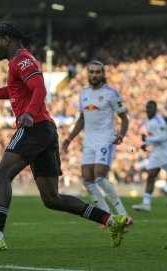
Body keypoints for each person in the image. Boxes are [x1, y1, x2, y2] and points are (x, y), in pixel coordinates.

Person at [0, 21, 129, 251]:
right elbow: (12, 91)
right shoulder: (17, 63)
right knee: (52, 199)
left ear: (7, 39)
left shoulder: (21, 59)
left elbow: (40, 88)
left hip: (34, 127)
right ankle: (110, 220)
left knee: (0, 177)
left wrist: (28, 113)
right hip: (45, 130)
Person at [61, 61, 133, 226]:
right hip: (89, 143)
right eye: (91, 72)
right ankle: (107, 217)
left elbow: (124, 118)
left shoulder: (111, 93)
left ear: (103, 74)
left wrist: (121, 134)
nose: (94, 75)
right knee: (87, 180)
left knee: (100, 176)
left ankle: (123, 215)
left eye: (97, 72)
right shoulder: (83, 94)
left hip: (105, 140)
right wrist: (69, 139)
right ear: (88, 73)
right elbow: (81, 119)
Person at [132, 101, 167, 211]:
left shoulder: (159, 121)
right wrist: (146, 145)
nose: (149, 109)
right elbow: (156, 138)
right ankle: (146, 203)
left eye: (152, 107)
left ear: (155, 108)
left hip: (165, 151)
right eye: (148, 107)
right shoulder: (148, 122)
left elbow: (163, 137)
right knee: (151, 175)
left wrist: (147, 140)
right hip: (156, 152)